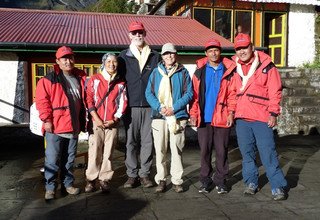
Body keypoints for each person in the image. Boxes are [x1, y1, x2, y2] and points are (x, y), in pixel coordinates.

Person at [232, 33, 287, 201]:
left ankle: (278, 186)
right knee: (247, 155)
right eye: (238, 48)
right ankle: (251, 183)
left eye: (245, 47)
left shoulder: (267, 66)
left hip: (262, 118)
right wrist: (231, 113)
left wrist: (273, 113)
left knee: (268, 153)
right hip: (242, 119)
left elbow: (275, 92)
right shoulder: (234, 68)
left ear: (252, 47)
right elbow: (233, 93)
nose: (242, 51)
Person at [35, 46, 87, 200]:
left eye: (70, 57)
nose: (68, 61)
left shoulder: (80, 77)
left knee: (69, 159)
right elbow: (42, 101)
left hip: (73, 126)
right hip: (55, 126)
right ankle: (50, 188)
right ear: (57, 61)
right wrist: (47, 120)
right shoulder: (48, 79)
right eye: (64, 58)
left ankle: (68, 184)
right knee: (52, 159)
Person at [189, 39, 236, 194]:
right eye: (210, 50)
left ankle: (221, 181)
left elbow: (232, 95)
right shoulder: (199, 71)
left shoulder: (229, 70)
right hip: (204, 118)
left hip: (222, 118)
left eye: (216, 50)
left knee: (222, 151)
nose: (213, 53)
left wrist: (231, 113)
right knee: (205, 151)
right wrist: (194, 114)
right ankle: (205, 181)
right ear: (206, 53)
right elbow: (194, 96)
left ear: (220, 52)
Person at [145, 43, 193, 193]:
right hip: (160, 116)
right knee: (160, 150)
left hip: (177, 116)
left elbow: (189, 93)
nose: (169, 56)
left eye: (172, 53)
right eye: (166, 54)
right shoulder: (155, 73)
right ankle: (161, 180)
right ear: (162, 56)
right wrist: (160, 107)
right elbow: (149, 93)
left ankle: (177, 180)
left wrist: (174, 108)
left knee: (176, 149)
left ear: (175, 54)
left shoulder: (183, 72)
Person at [118, 21, 160, 188]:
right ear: (129, 35)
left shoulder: (155, 56)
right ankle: (131, 175)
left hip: (150, 106)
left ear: (145, 33)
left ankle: (144, 174)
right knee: (130, 142)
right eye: (134, 33)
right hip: (131, 106)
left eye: (140, 32)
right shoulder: (123, 56)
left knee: (148, 142)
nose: (137, 35)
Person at [84, 53, 127, 193]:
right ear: (103, 63)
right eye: (108, 61)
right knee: (94, 151)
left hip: (112, 123)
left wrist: (115, 119)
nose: (111, 64)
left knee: (108, 152)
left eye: (114, 62)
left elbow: (122, 102)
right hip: (96, 122)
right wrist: (96, 118)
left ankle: (104, 179)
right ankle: (91, 180)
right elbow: (88, 99)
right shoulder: (95, 79)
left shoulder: (120, 83)